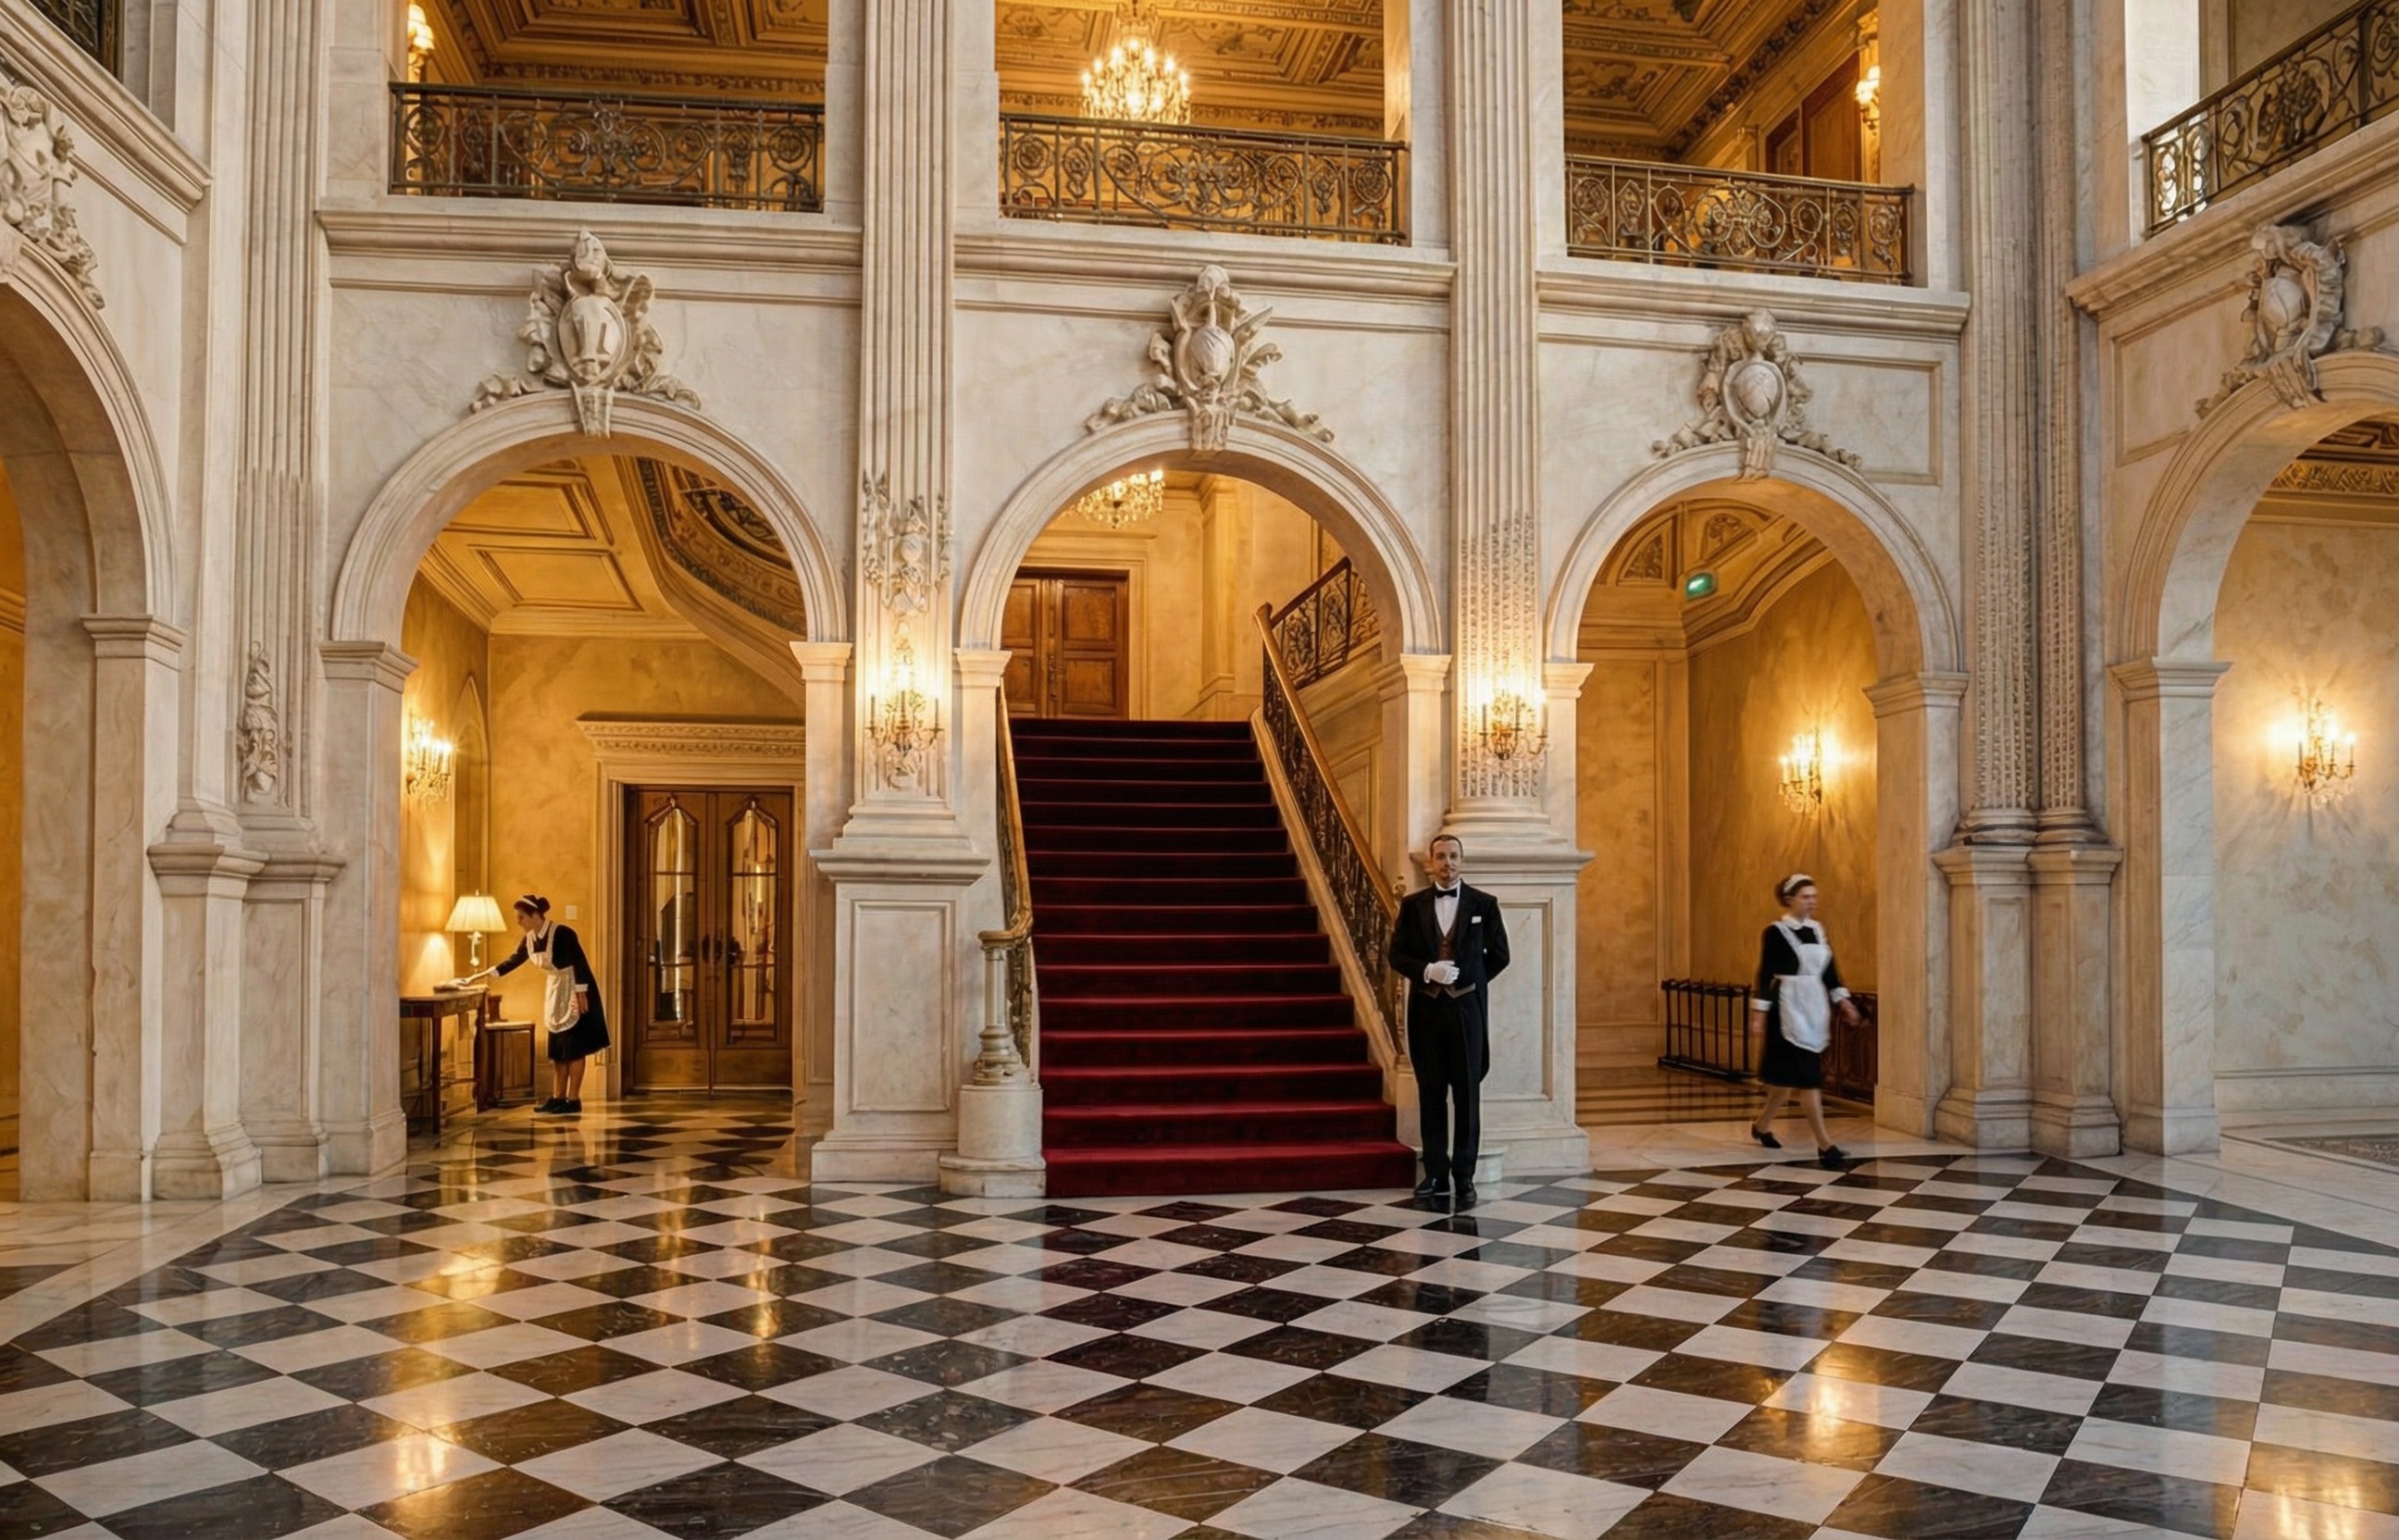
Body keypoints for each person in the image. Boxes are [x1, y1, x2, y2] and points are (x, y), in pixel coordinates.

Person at [1387, 835, 1510, 1209]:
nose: (1448, 863)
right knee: (1431, 1092)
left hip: (1467, 1013)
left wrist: (1469, 980)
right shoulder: (1413, 905)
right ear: (1432, 862)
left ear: (1462, 860)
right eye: (1441, 856)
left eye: (1454, 856)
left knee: (1468, 1095)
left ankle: (1465, 1176)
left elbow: (1500, 955)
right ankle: (1436, 1173)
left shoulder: (1484, 904)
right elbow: (1397, 955)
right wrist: (1428, 971)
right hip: (1426, 1011)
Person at [459, 894, 609, 1115]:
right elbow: (513, 961)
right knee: (558, 1048)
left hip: (576, 990)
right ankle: (558, 1097)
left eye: (521, 917)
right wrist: (478, 976)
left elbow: (579, 962)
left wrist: (581, 993)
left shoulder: (563, 933)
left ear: (536, 915)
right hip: (555, 990)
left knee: (575, 1047)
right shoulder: (529, 940)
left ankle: (573, 1099)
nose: (518, 921)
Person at [1748, 873, 1859, 1169]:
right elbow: (1765, 973)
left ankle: (1761, 1126)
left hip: (1813, 1007)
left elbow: (1830, 972)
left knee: (1785, 1082)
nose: (1812, 902)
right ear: (1789, 899)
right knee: (1809, 1078)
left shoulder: (1818, 931)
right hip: (1786, 1010)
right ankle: (1825, 1145)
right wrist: (1759, 1014)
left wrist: (1844, 1001)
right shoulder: (1775, 932)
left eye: (1814, 897)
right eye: (1805, 897)